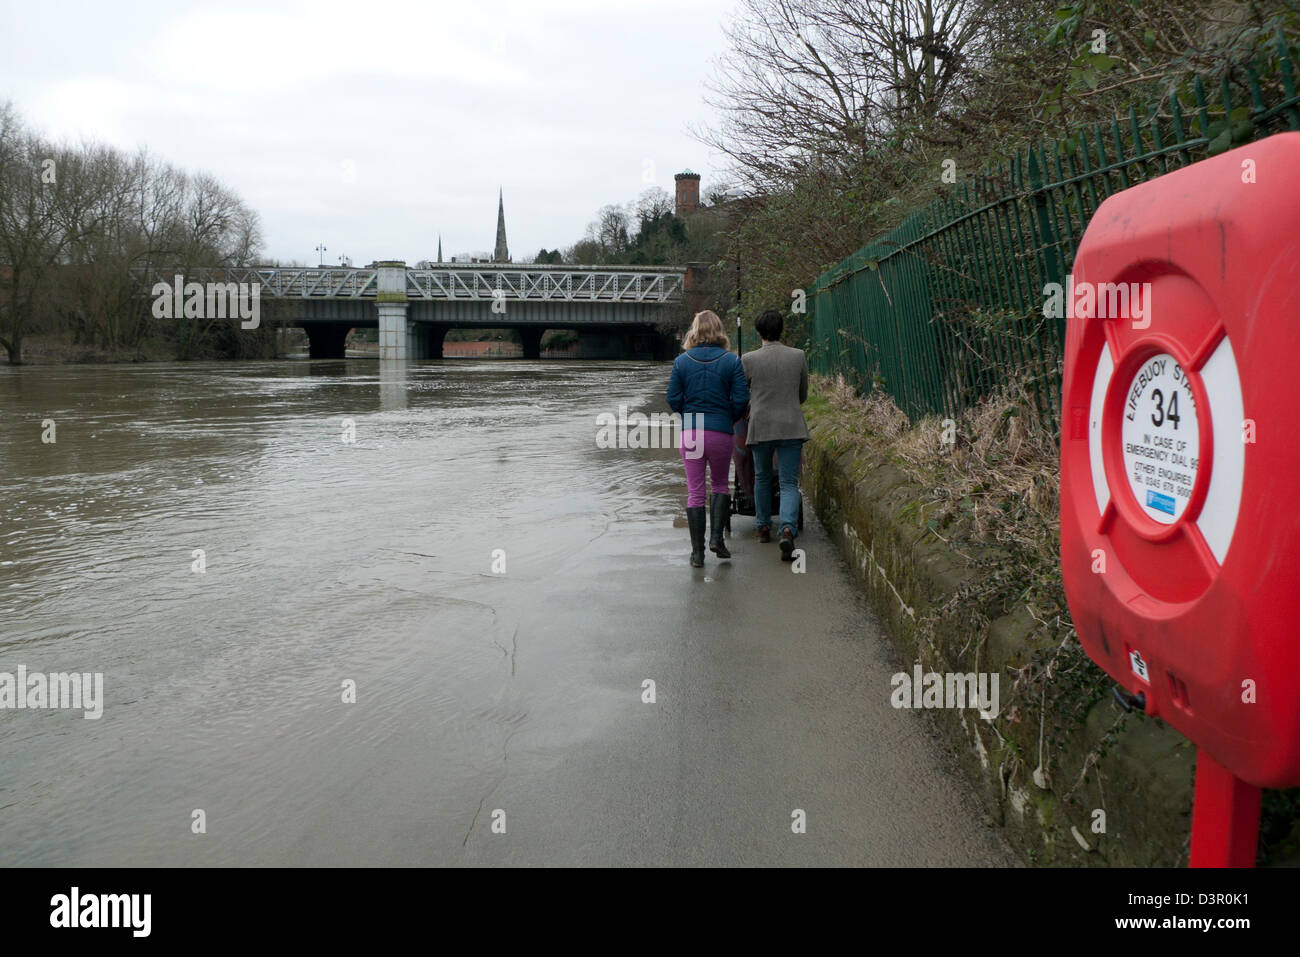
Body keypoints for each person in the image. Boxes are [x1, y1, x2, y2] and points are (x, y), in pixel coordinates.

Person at [666, 310, 749, 567]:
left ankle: (697, 553)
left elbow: (672, 398)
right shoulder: (732, 361)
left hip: (692, 430)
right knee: (721, 484)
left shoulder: (681, 362)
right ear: (719, 330)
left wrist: (688, 415)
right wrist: (729, 417)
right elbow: (742, 399)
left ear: (695, 330)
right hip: (721, 430)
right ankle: (717, 540)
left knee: (695, 492)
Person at [741, 309, 808, 561]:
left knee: (761, 476)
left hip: (761, 427)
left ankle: (762, 526)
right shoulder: (798, 356)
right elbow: (803, 394)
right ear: (782, 330)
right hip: (792, 425)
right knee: (789, 482)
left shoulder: (748, 360)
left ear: (758, 332)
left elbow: (741, 395)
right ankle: (788, 528)